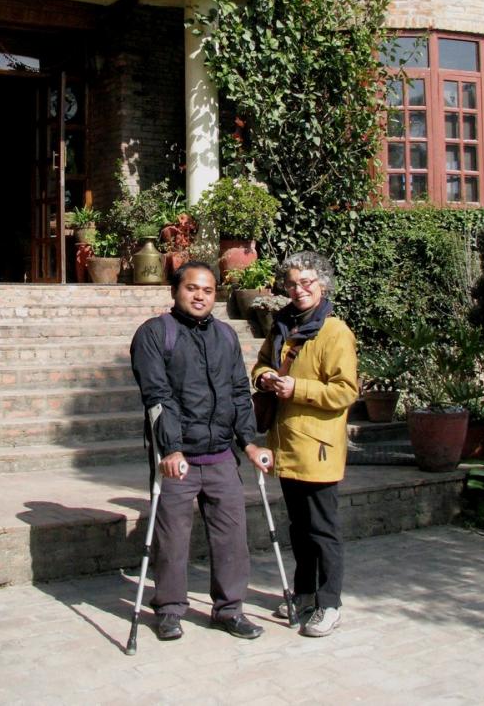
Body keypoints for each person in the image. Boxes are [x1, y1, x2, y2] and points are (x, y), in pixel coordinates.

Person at [130, 261, 272, 642]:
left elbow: (239, 393)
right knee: (172, 538)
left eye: (208, 291)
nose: (199, 296)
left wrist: (250, 441)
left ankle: (229, 610)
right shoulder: (155, 334)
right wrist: (171, 449)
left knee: (232, 538)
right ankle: (170, 610)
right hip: (178, 459)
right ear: (176, 290)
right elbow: (157, 396)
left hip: (221, 455)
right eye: (192, 288)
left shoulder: (226, 336)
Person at [251, 251, 357, 638]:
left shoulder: (335, 331)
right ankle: (305, 592)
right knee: (298, 527)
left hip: (319, 446)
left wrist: (298, 388)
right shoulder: (282, 325)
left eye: (307, 282)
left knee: (322, 529)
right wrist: (265, 379)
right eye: (292, 283)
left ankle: (330, 603)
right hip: (286, 441)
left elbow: (345, 391)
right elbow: (262, 363)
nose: (298, 290)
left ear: (322, 284)